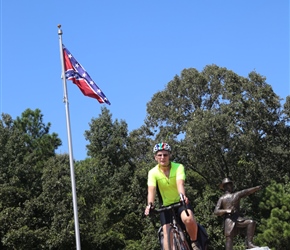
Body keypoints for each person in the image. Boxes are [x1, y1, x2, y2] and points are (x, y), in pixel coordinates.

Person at [144, 142, 201, 250]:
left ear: (170, 155)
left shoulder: (178, 167)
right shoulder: (152, 172)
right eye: (159, 155)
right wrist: (150, 205)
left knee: (188, 219)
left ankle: (194, 242)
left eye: (165, 155)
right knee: (166, 236)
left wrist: (182, 196)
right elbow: (151, 190)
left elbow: (180, 183)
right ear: (155, 157)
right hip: (165, 206)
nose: (162, 157)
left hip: (180, 202)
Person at [214, 178, 262, 250]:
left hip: (237, 219)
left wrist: (255, 188)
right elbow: (216, 211)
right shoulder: (222, 198)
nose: (232, 186)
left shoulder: (236, 195)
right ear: (226, 187)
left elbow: (246, 192)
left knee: (251, 222)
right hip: (229, 220)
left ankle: (250, 244)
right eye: (230, 185)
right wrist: (227, 210)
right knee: (229, 239)